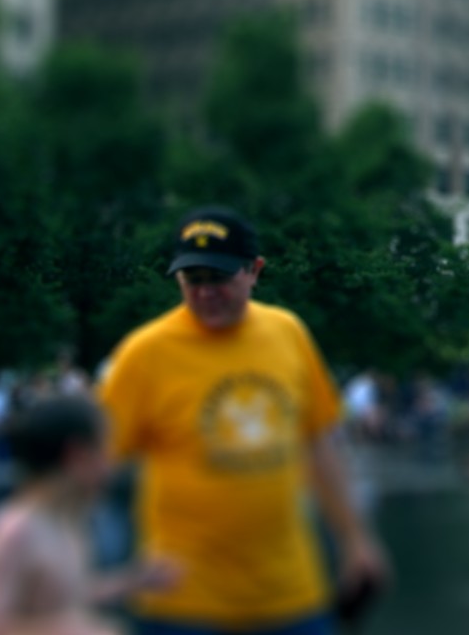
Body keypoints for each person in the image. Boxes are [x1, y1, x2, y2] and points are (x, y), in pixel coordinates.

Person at [98, 206, 388, 635]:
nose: (205, 293)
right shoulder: (144, 354)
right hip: (183, 606)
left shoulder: (288, 333)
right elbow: (86, 466)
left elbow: (319, 444)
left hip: (292, 597)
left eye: (219, 278)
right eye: (192, 280)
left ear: (254, 271)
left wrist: (355, 539)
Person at [0, 395, 179, 635]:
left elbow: (68, 595)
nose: (111, 465)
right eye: (105, 449)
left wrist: (133, 580)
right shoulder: (15, 531)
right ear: (76, 455)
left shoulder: (70, 521)